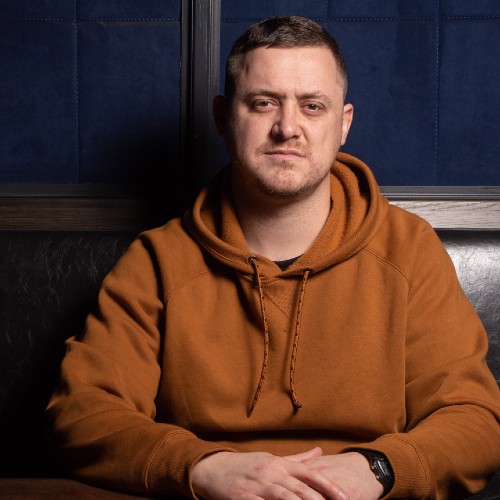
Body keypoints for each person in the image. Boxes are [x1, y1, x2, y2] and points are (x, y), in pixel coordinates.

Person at [47, 16, 500, 499]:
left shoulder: (408, 249)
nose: (287, 128)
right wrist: (203, 467)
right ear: (224, 117)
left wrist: (377, 470)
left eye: (312, 106)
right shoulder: (158, 260)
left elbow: (474, 421)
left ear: (343, 124)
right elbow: (82, 412)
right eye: (263, 103)